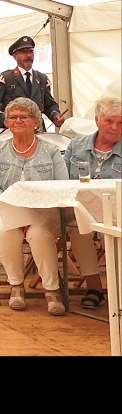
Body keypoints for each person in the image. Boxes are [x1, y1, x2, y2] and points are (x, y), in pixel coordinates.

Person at [0, 97, 70, 315]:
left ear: (36, 122)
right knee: (5, 229)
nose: (18, 121)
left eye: (24, 117)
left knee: (39, 232)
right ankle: (16, 286)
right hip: (5, 208)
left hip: (43, 211)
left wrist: (36, 206)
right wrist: (5, 204)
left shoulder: (51, 151)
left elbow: (62, 185)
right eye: (13, 117)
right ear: (7, 122)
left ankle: (51, 290)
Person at [61, 94, 120, 310]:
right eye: (109, 121)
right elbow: (61, 180)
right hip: (80, 210)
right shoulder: (76, 146)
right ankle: (94, 287)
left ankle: (117, 289)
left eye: (121, 122)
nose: (115, 127)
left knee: (113, 233)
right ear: (97, 120)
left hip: (116, 213)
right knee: (77, 228)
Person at [0, 36, 64, 131]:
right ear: (15, 56)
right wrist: (3, 119)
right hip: (14, 130)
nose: (28, 56)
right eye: (23, 52)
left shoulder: (42, 78)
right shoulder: (5, 78)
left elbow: (49, 105)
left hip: (37, 130)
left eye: (30, 52)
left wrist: (56, 115)